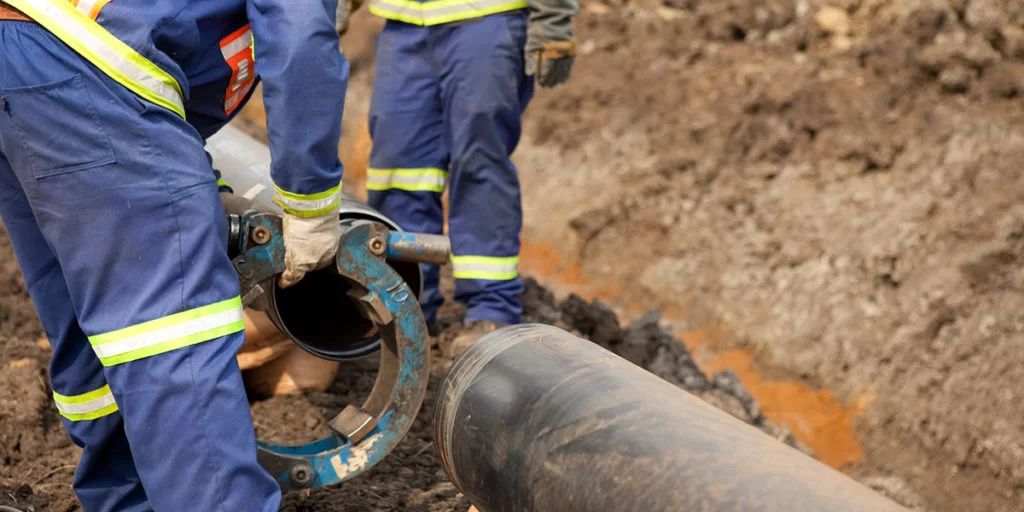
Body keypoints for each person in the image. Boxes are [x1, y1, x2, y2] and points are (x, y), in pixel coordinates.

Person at [0, 0, 348, 509]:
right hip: (86, 62)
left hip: (22, 53)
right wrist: (310, 201)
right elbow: (299, 35)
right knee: (175, 337)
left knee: (93, 333)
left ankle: (126, 501)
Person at [336, 0, 578, 353]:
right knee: (398, 170)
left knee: (479, 164)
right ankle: (407, 302)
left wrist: (553, 17)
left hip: (488, 19)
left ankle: (491, 308)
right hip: (404, 24)